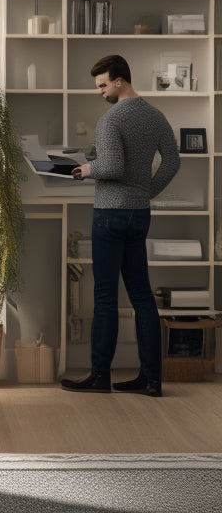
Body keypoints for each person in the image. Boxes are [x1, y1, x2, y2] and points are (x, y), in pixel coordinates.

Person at [61, 54, 180, 397]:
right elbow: (173, 162)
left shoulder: (111, 119)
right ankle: (152, 379)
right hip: (138, 214)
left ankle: (100, 376)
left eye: (102, 85)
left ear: (119, 80)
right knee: (142, 296)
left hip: (110, 214)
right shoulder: (156, 116)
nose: (100, 92)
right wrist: (146, 193)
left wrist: (85, 170)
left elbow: (110, 166)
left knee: (105, 297)